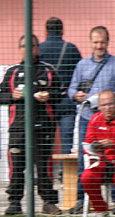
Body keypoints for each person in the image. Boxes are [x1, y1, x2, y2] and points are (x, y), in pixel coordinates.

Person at [0, 34, 62, 216]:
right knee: (16, 166)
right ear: (19, 49)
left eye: (31, 46)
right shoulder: (12, 71)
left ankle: (48, 202)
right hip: (18, 127)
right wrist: (13, 97)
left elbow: (61, 93)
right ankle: (14, 202)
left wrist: (48, 95)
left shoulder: (48, 70)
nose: (28, 49)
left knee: (44, 167)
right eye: (24, 46)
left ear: (37, 49)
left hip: (44, 127)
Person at [68, 26, 115, 213]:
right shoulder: (82, 65)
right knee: (84, 158)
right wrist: (77, 95)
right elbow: (71, 88)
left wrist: (105, 99)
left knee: (113, 155)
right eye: (96, 42)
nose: (99, 46)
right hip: (87, 117)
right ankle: (81, 199)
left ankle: (114, 200)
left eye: (102, 42)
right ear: (90, 43)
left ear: (108, 42)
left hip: (110, 119)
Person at [39, 17, 82, 163]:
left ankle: (45, 173)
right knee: (67, 139)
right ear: (62, 31)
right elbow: (80, 73)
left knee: (44, 140)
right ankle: (65, 175)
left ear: (46, 31)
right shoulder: (71, 49)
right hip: (66, 101)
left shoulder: (39, 49)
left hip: (46, 102)